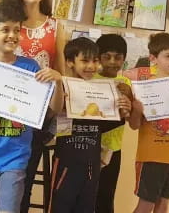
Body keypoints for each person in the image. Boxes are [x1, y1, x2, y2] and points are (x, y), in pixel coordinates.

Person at [0, 5, 56, 213]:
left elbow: (48, 110)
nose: (12, 35)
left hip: (16, 154)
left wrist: (57, 83)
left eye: (17, 30)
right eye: (5, 30)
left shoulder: (31, 67)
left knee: (10, 208)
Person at [0, 0, 64, 212]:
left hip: (38, 116)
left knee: (22, 182)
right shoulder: (5, 23)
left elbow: (61, 74)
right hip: (4, 109)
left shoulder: (55, 26)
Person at [49, 37, 131, 213]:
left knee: (87, 207)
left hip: (92, 162)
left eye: (94, 61)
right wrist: (59, 87)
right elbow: (54, 116)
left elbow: (106, 124)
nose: (91, 66)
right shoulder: (63, 86)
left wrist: (123, 111)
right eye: (85, 61)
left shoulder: (102, 91)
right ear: (70, 62)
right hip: (66, 161)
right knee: (61, 206)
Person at [130, 32, 169, 213]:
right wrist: (137, 110)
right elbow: (134, 125)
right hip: (151, 157)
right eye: (168, 55)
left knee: (164, 205)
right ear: (153, 58)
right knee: (146, 205)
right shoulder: (144, 87)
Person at [94, 33, 135, 213]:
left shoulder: (125, 83)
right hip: (88, 146)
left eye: (118, 57)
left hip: (113, 149)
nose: (112, 62)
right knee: (85, 194)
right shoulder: (89, 79)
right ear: (98, 57)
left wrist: (130, 98)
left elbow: (130, 116)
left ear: (124, 59)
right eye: (107, 57)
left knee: (106, 194)